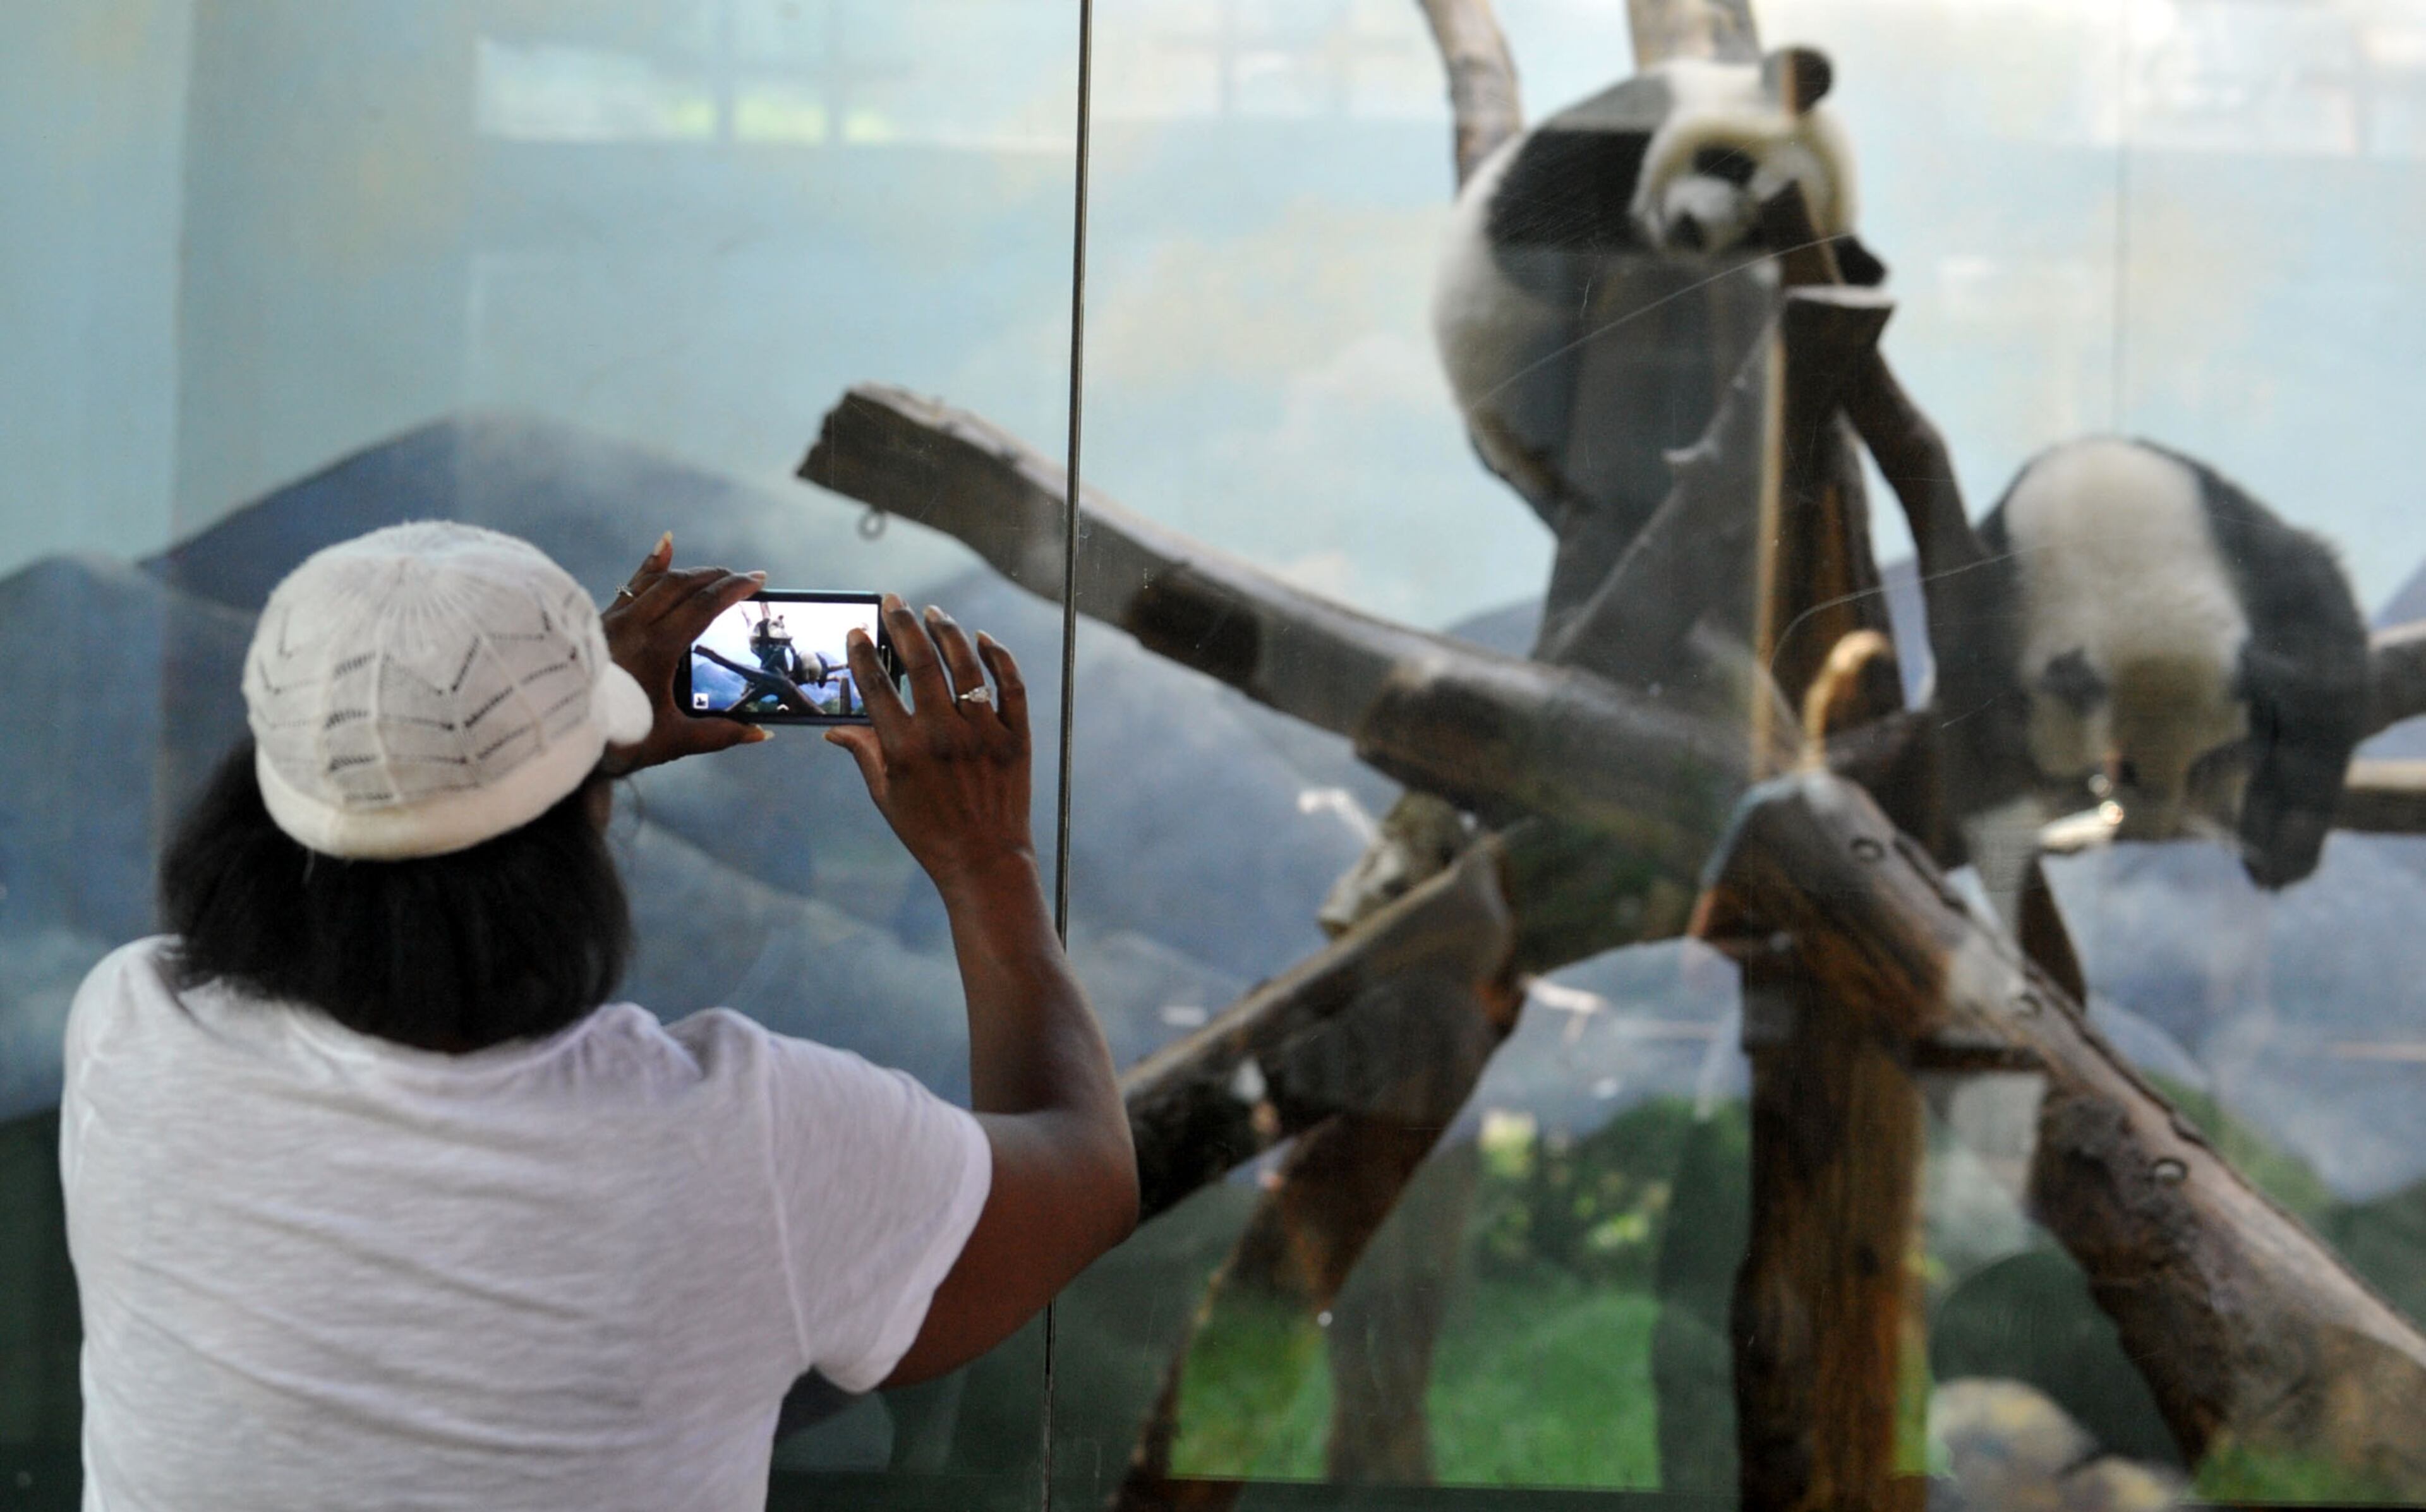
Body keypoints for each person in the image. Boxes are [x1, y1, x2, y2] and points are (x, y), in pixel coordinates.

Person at [58, 522, 1137, 1510]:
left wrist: (531, 742)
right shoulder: (740, 1143)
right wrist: (987, 859)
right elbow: (1089, 1171)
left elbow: (394, 825)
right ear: (576, 835)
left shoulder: (131, 1032)